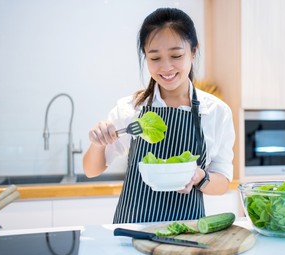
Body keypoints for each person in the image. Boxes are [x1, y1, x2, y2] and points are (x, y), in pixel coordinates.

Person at [83, 7, 235, 224]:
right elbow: (91, 170)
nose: (166, 67)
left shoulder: (216, 112)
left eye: (176, 55)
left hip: (187, 232)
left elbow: (223, 182)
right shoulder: (131, 108)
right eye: (155, 58)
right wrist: (98, 142)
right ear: (146, 57)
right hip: (132, 229)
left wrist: (200, 178)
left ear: (193, 52)